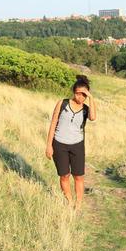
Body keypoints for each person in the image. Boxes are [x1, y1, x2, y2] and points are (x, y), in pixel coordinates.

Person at [45, 75, 96, 211]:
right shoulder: (62, 103)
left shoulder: (86, 109)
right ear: (74, 92)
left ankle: (78, 204)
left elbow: (93, 117)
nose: (81, 97)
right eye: (78, 93)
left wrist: (91, 98)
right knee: (64, 175)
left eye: (84, 95)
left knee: (78, 176)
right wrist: (49, 145)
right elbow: (53, 123)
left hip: (77, 145)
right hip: (59, 143)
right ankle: (69, 200)